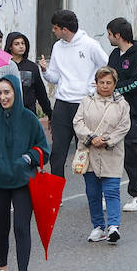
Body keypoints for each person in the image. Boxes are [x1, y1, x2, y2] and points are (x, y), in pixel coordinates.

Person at [0, 74, 50, 271]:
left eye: (7, 92)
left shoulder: (29, 118)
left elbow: (43, 147)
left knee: (21, 226)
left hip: (23, 181)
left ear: (16, 93)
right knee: (1, 228)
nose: (3, 97)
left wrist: (29, 157)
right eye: (0, 93)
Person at [40, 10, 110, 178]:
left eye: (55, 28)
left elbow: (106, 67)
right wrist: (45, 71)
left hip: (84, 103)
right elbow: (55, 77)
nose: (53, 31)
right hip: (62, 104)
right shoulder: (57, 46)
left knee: (89, 149)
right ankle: (56, 194)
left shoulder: (89, 44)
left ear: (65, 29)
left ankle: (96, 192)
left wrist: (93, 87)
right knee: (57, 152)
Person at [73, 66, 132, 245]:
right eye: (101, 82)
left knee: (112, 190)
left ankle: (114, 226)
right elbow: (78, 122)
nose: (105, 86)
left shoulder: (122, 104)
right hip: (90, 152)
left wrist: (107, 140)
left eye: (109, 83)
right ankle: (98, 226)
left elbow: (124, 126)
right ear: (96, 83)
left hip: (111, 153)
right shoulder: (86, 101)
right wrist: (91, 137)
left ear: (115, 84)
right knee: (93, 193)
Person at [106, 18, 137, 211]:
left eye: (109, 34)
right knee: (109, 152)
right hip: (113, 111)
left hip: (134, 113)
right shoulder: (114, 55)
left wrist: (116, 90)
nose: (107, 37)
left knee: (131, 153)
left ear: (118, 35)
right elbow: (108, 76)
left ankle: (136, 195)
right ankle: (109, 193)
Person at [5, 31, 56, 123]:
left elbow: (40, 92)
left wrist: (49, 113)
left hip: (28, 113)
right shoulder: (4, 66)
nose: (21, 46)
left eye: (23, 43)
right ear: (10, 46)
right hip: (8, 113)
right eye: (17, 44)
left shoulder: (32, 67)